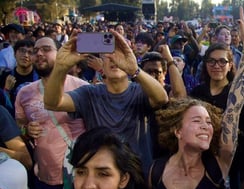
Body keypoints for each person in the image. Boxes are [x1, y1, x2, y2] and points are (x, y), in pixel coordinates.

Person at [149, 8, 244, 189]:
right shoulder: (155, 171)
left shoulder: (218, 165)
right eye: (197, 120)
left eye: (210, 121)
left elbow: (234, 106)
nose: (207, 126)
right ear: (178, 129)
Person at [43, 29, 169, 174]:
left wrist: (135, 70)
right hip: (101, 176)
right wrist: (60, 67)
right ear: (101, 63)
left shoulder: (140, 91)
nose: (114, 60)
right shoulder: (89, 94)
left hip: (137, 177)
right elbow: (52, 103)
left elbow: (162, 98)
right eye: (108, 55)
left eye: (119, 54)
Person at [15, 36, 87, 189]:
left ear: (59, 53)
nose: (38, 54)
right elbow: (19, 128)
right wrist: (26, 131)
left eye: (46, 49)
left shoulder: (82, 88)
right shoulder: (25, 93)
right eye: (34, 51)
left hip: (78, 177)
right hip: (45, 180)